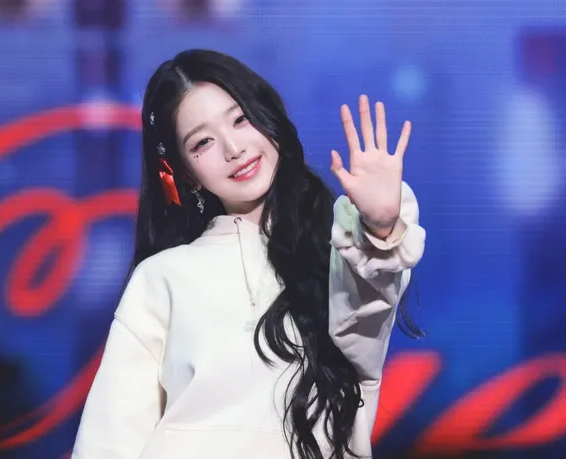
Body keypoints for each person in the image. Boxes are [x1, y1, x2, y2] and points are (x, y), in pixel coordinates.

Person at [71, 49, 426, 459]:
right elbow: (108, 441)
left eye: (240, 119)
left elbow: (368, 307)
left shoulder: (342, 257)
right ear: (186, 173)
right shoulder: (162, 277)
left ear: (267, 115)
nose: (233, 148)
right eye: (202, 142)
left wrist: (379, 228)